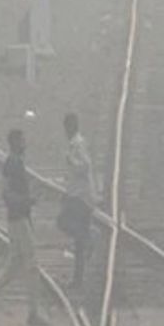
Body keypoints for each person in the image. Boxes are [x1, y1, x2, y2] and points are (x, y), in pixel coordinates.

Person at [0, 129, 47, 326]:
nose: (25, 143)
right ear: (15, 142)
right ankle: (34, 313)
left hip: (17, 219)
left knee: (13, 267)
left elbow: (7, 190)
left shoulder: (13, 162)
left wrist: (27, 200)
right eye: (22, 140)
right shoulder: (14, 163)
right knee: (32, 265)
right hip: (19, 219)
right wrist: (28, 201)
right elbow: (6, 193)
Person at [58, 113, 97, 289]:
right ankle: (77, 280)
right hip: (78, 194)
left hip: (81, 197)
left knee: (63, 221)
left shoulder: (77, 144)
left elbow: (85, 166)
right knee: (78, 244)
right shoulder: (75, 143)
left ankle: (91, 237)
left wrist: (71, 161)